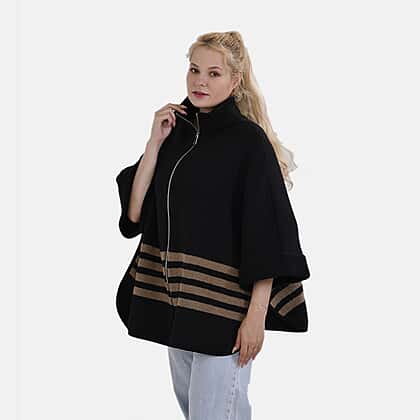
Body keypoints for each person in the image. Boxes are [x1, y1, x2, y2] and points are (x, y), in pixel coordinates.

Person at [115, 30, 311, 420]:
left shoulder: (248, 143)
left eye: (214, 73)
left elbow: (267, 232)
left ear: (235, 81)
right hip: (177, 309)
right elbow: (135, 214)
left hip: (225, 313)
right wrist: (154, 143)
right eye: (194, 70)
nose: (200, 81)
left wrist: (256, 316)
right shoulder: (175, 133)